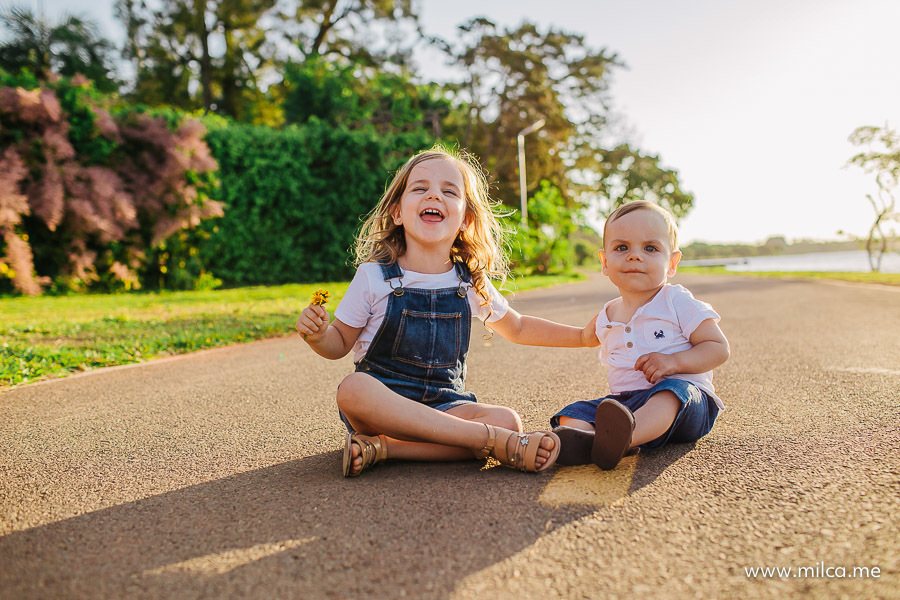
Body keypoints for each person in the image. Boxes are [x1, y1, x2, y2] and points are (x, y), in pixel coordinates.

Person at [296, 146, 598, 477]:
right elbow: (338, 342)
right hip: (383, 404)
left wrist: (583, 336)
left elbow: (520, 327)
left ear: (465, 218)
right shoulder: (373, 277)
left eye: (449, 191)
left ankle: (384, 448)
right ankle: (494, 441)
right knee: (353, 389)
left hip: (446, 406)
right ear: (397, 212)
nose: (434, 196)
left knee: (508, 419)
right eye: (420, 188)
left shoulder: (468, 282)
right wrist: (318, 336)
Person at [551, 200, 730, 470]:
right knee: (574, 412)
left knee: (670, 393)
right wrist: (516, 326)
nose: (635, 256)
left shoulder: (676, 300)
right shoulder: (608, 314)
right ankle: (590, 441)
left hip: (686, 401)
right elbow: (580, 337)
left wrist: (673, 363)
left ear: (671, 263)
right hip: (627, 404)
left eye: (650, 248)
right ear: (605, 261)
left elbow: (718, 347)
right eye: (622, 247)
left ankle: (624, 440)